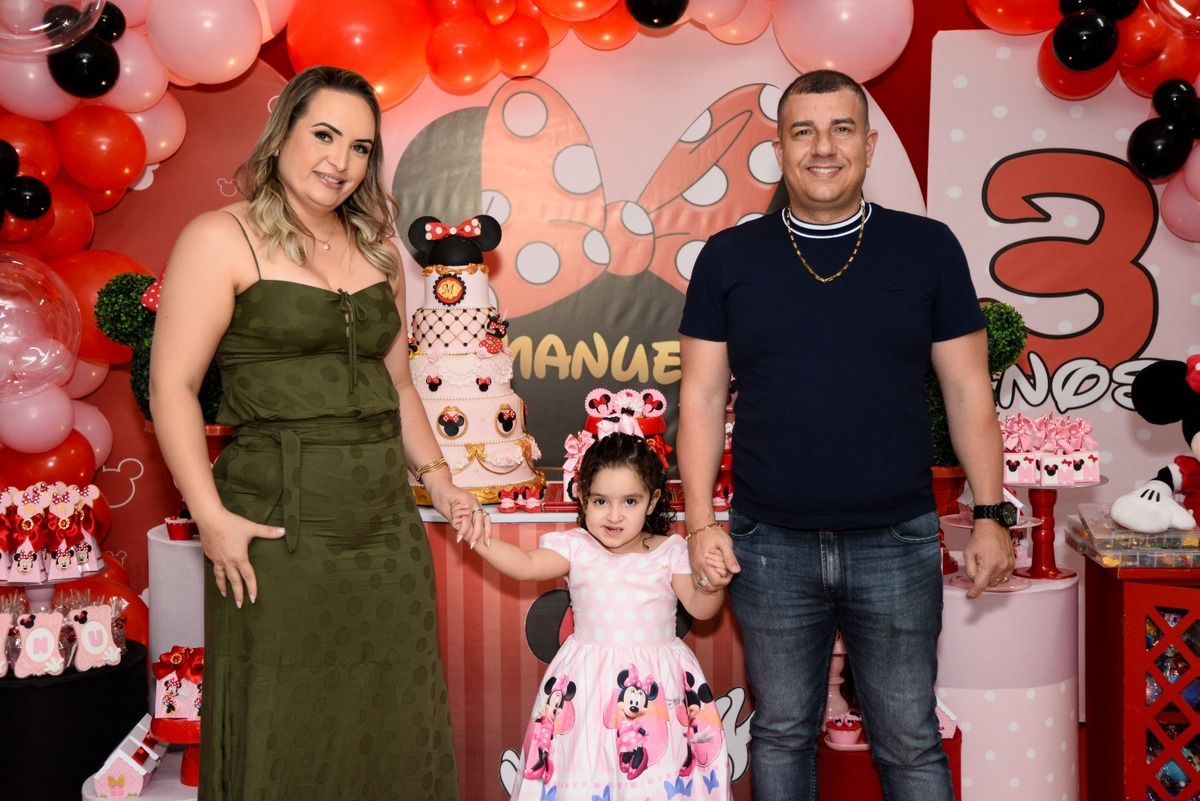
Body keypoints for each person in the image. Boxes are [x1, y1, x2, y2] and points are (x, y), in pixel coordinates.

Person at [149, 66, 488, 800]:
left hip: (384, 525)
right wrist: (210, 517)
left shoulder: (378, 251)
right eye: (325, 135)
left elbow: (399, 385)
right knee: (287, 716)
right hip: (278, 523)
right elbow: (171, 386)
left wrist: (439, 481)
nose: (341, 162)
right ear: (282, 136)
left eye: (360, 147)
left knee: (392, 706)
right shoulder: (220, 237)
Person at [676, 69, 1014, 801]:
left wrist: (990, 513)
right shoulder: (728, 258)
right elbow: (699, 397)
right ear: (779, 149)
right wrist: (701, 522)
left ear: (869, 143)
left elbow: (968, 391)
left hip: (896, 539)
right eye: (803, 131)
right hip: (768, 544)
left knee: (910, 739)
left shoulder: (928, 248)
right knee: (780, 733)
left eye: (840, 129)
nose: (822, 147)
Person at [462, 431, 732, 800]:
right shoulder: (576, 547)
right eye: (601, 501)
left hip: (656, 691)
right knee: (584, 768)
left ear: (652, 501)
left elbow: (701, 608)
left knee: (657, 779)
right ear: (582, 497)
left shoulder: (670, 551)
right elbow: (524, 565)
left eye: (630, 501)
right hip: (586, 687)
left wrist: (711, 585)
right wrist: (477, 536)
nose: (614, 515)